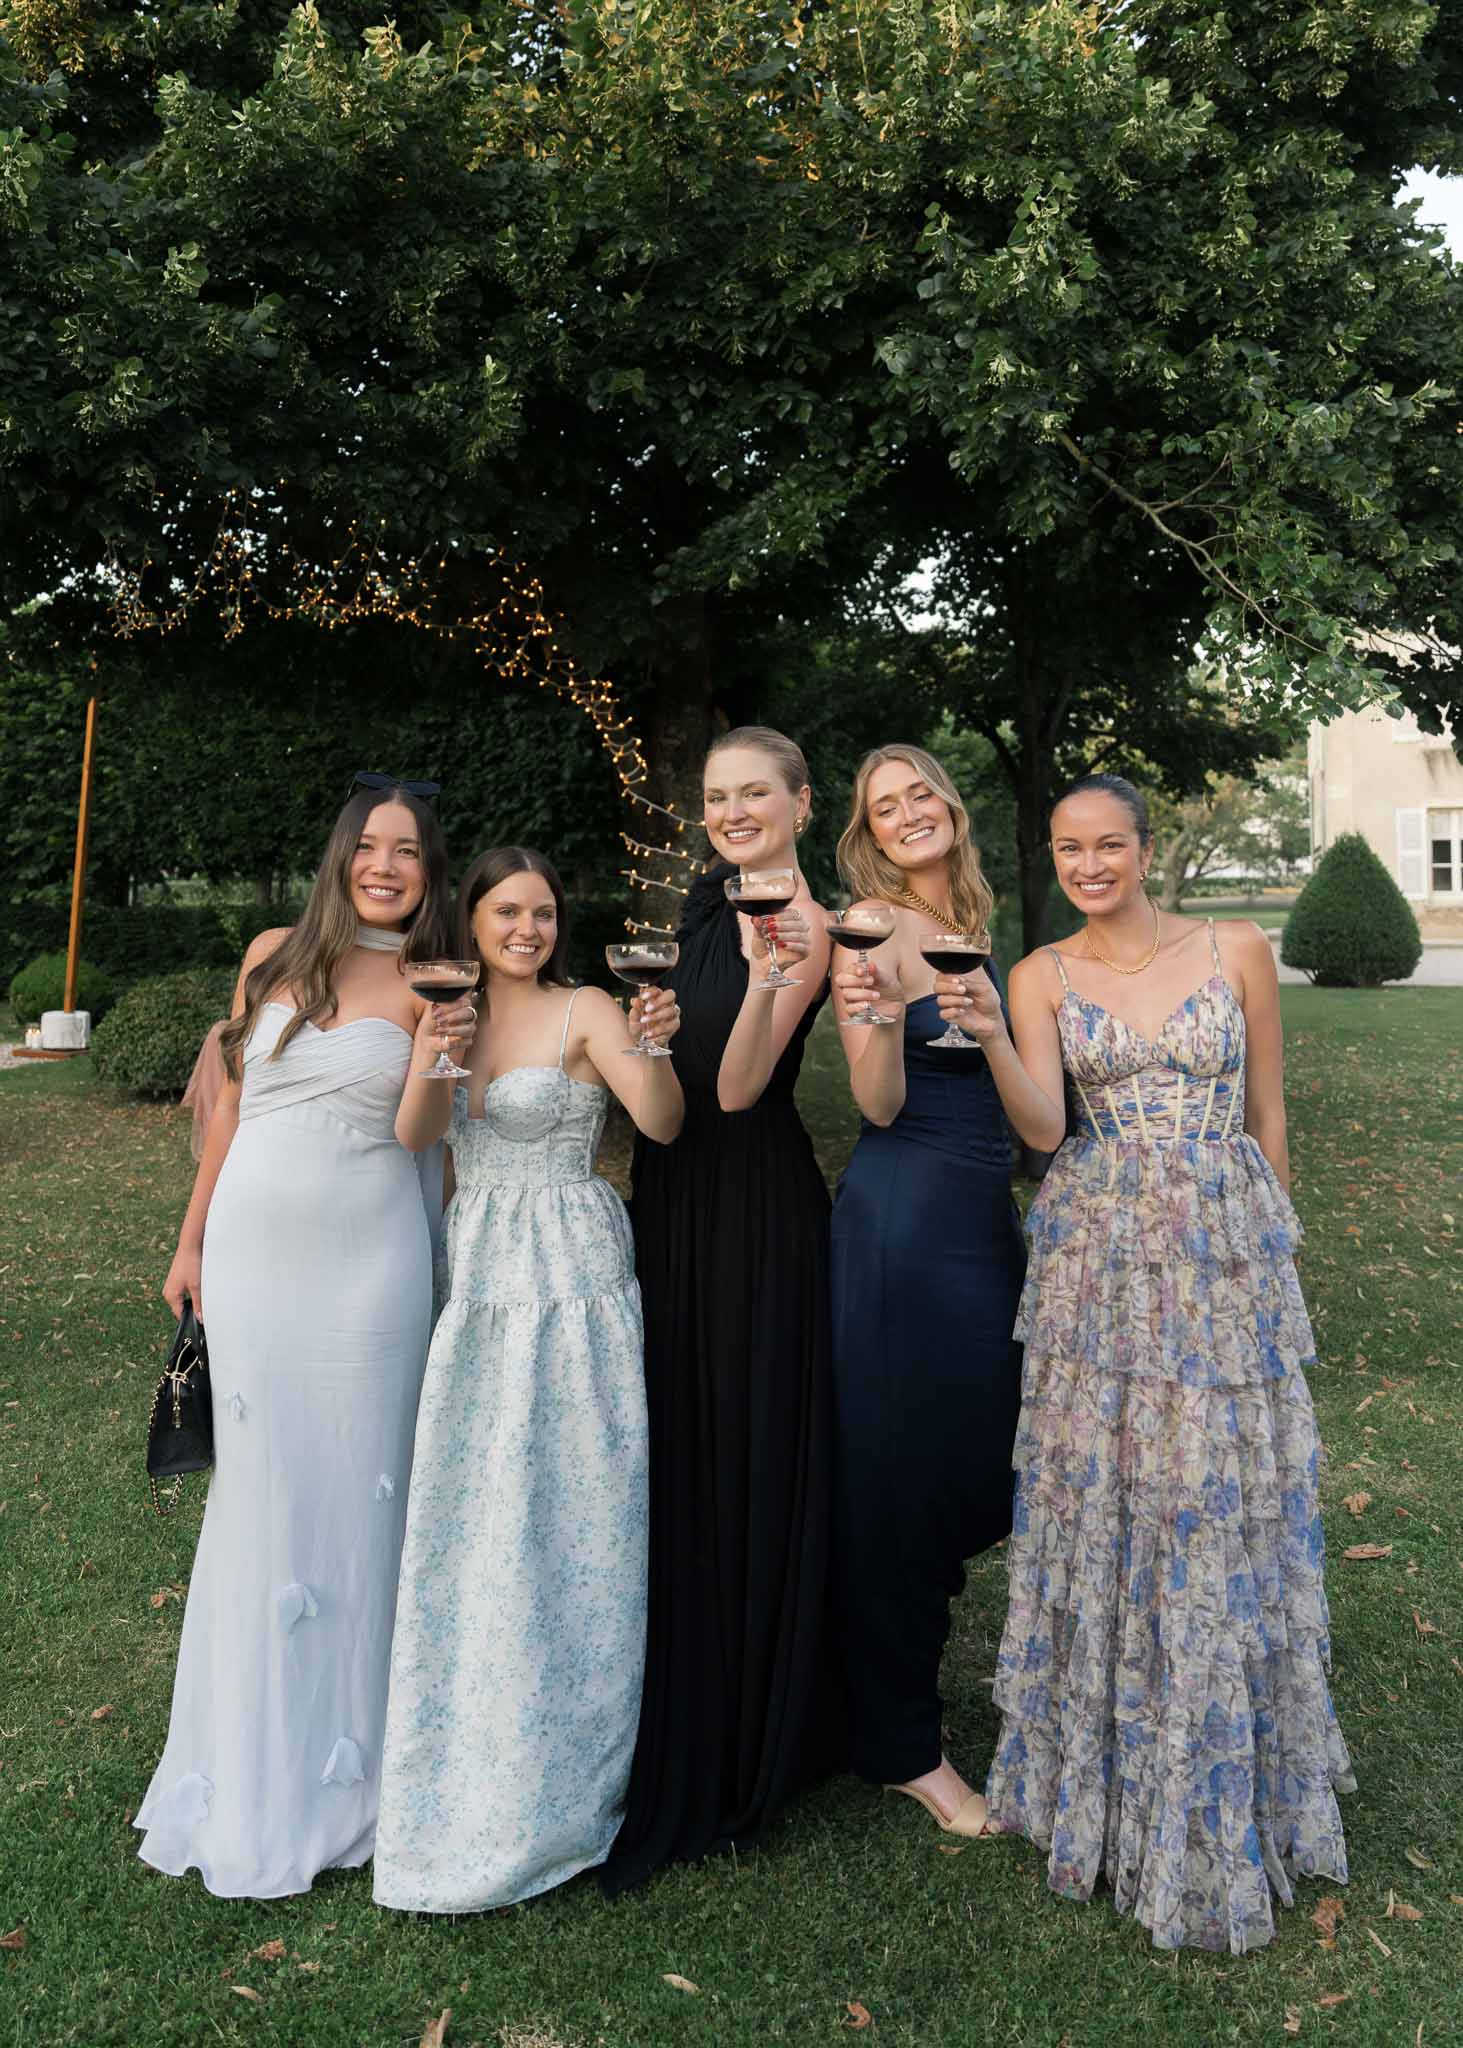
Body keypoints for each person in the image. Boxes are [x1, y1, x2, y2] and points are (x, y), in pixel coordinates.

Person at [936, 772, 1353, 1952]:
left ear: (1143, 845)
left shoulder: (1235, 948)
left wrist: (1273, 1256)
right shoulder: (1038, 976)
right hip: (1097, 1257)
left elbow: (1266, 1115)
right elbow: (1039, 1130)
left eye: (1106, 842)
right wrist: (981, 1036)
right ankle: (1106, 1777)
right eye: (1068, 848)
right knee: (1111, 1492)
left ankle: (1228, 1758)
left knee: (1218, 1493)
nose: (1086, 863)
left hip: (1221, 1249)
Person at [138, 781, 474, 1898]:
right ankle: (248, 1763)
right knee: (263, 1499)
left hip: (370, 1268)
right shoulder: (272, 952)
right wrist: (190, 1239)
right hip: (250, 1263)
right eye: (369, 845)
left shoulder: (438, 976)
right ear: (340, 854)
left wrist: (437, 1046)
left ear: (431, 869)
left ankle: (362, 1772)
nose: (386, 865)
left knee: (368, 1496)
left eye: (409, 851)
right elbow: (230, 1103)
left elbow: (423, 1138)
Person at [374, 847, 683, 1913]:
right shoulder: (448, 1011)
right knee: (480, 1505)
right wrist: (431, 1053)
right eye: (507, 910)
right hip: (484, 1268)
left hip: (574, 1263)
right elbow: (419, 1136)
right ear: (472, 918)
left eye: (543, 910)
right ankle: (470, 1731)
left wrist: (651, 1049)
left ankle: (572, 1767)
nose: (526, 927)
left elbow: (661, 1121)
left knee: (575, 1505)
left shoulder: (585, 1005)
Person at [601, 726, 835, 1893]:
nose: (734, 810)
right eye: (717, 796)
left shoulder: (809, 922)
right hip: (671, 1195)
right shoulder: (696, 901)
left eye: (756, 793)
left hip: (751, 1205)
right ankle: (671, 1680)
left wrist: (767, 973)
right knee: (677, 1439)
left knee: (741, 1437)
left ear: (800, 802)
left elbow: (740, 1086)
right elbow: (665, 1073)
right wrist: (642, 1038)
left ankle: (749, 1724)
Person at [826, 745, 1024, 1839]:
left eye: (916, 793)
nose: (904, 813)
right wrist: (870, 1009)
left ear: (949, 804)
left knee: (981, 1456)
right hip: (901, 1221)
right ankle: (902, 1745)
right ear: (866, 830)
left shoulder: (983, 924)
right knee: (907, 1477)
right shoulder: (872, 924)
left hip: (979, 1222)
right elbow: (876, 1099)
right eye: (879, 805)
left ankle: (887, 1694)